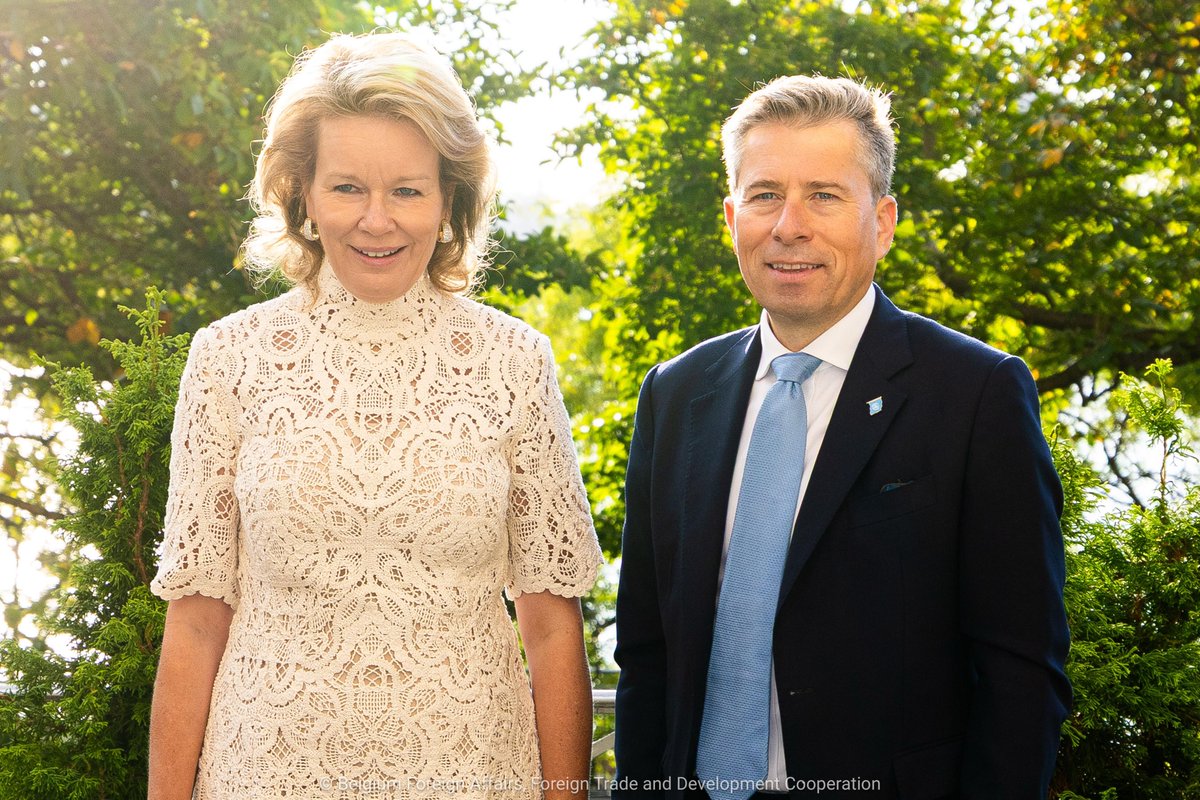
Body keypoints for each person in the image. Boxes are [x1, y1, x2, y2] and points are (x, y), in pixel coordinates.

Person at [147, 31, 602, 800]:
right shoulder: (228, 358)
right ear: (302, 194)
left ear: (451, 199)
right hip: (265, 774)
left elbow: (554, 626)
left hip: (470, 774)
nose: (377, 220)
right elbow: (195, 620)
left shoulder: (514, 362)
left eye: (408, 190)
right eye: (348, 187)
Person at [612, 75, 1070, 799]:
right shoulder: (676, 393)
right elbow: (645, 652)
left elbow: (1021, 671)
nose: (789, 225)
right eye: (765, 195)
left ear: (882, 221)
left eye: (824, 195)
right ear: (731, 215)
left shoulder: (975, 394)